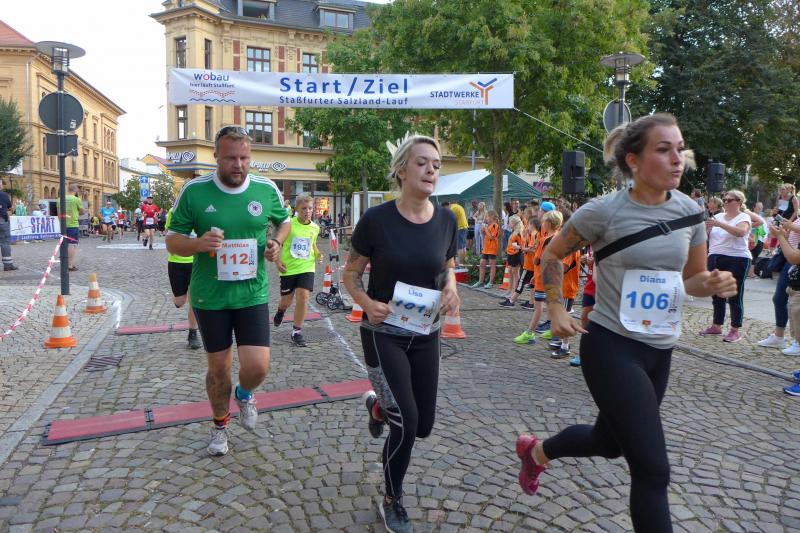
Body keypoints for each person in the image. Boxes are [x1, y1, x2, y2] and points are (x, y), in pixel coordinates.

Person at [515, 113, 737, 533]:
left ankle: (536, 452)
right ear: (633, 160)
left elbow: (691, 279)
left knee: (609, 442)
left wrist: (712, 283)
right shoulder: (603, 211)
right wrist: (557, 309)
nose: (678, 159)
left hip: (660, 348)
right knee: (652, 469)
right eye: (663, 150)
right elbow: (552, 254)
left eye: (679, 149)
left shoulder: (690, 211)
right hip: (611, 345)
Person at [344, 134, 459, 533]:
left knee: (423, 425)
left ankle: (378, 407)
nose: (431, 170)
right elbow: (350, 274)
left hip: (426, 332)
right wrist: (365, 302)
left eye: (436, 165)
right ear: (401, 170)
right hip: (383, 331)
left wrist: (452, 287)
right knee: (407, 424)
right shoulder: (376, 220)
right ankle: (392, 500)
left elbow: (446, 266)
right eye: (422, 162)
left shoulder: (446, 220)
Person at [165, 125, 290, 457]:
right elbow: (172, 239)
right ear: (216, 157)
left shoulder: (266, 189)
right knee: (219, 369)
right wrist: (197, 244)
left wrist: (276, 242)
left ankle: (244, 394)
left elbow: (284, 221)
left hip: (252, 293)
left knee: (258, 366)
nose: (239, 165)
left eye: (245, 158)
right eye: (231, 158)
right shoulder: (195, 191)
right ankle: (220, 425)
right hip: (211, 297)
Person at [698, 190, 752, 342]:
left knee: (734, 294)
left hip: (737, 258)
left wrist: (719, 224)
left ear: (739, 202)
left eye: (729, 200)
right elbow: (705, 236)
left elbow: (741, 232)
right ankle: (717, 326)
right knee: (716, 293)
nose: (726, 202)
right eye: (725, 199)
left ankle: (735, 330)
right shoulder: (719, 216)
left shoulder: (743, 217)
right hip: (715, 256)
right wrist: (706, 228)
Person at [272, 194, 322, 347]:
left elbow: (312, 244)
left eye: (310, 208)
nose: (307, 211)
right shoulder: (289, 225)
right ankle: (281, 311)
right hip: (289, 268)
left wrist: (318, 254)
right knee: (286, 301)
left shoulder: (315, 228)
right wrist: (277, 262)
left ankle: (296, 332)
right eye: (304, 208)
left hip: (307, 267)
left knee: (303, 296)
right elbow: (277, 245)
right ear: (297, 209)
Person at [164, 207, 202, 350]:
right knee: (180, 301)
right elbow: (168, 234)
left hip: (196, 262)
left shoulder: (200, 209)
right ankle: (178, 297)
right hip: (176, 261)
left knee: (194, 298)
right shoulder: (173, 211)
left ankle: (193, 333)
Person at [59, 184, 85, 272]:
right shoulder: (76, 199)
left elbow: (58, 212)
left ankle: (64, 263)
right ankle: (70, 265)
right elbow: (82, 212)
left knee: (64, 244)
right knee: (72, 244)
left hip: (62, 225)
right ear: (76, 190)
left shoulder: (60, 199)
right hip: (73, 225)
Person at [471, 210, 499, 288]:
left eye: (487, 217)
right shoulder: (489, 225)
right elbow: (485, 235)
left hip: (492, 248)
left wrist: (485, 230)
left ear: (492, 217)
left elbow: (492, 237)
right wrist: (482, 231)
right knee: (482, 263)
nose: (486, 218)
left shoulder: (495, 225)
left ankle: (491, 283)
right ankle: (480, 281)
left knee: (492, 264)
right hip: (486, 248)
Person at [443, 200, 468, 265]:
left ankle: (460, 264)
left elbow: (449, 220)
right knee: (463, 246)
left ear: (447, 205)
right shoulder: (458, 206)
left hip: (460, 228)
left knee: (459, 247)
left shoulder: (452, 209)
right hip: (464, 227)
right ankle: (464, 262)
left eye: (445, 208)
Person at [0, 180, 17, 271]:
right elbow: (10, 207)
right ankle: (8, 265)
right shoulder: (4, 195)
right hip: (2, 221)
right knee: (5, 242)